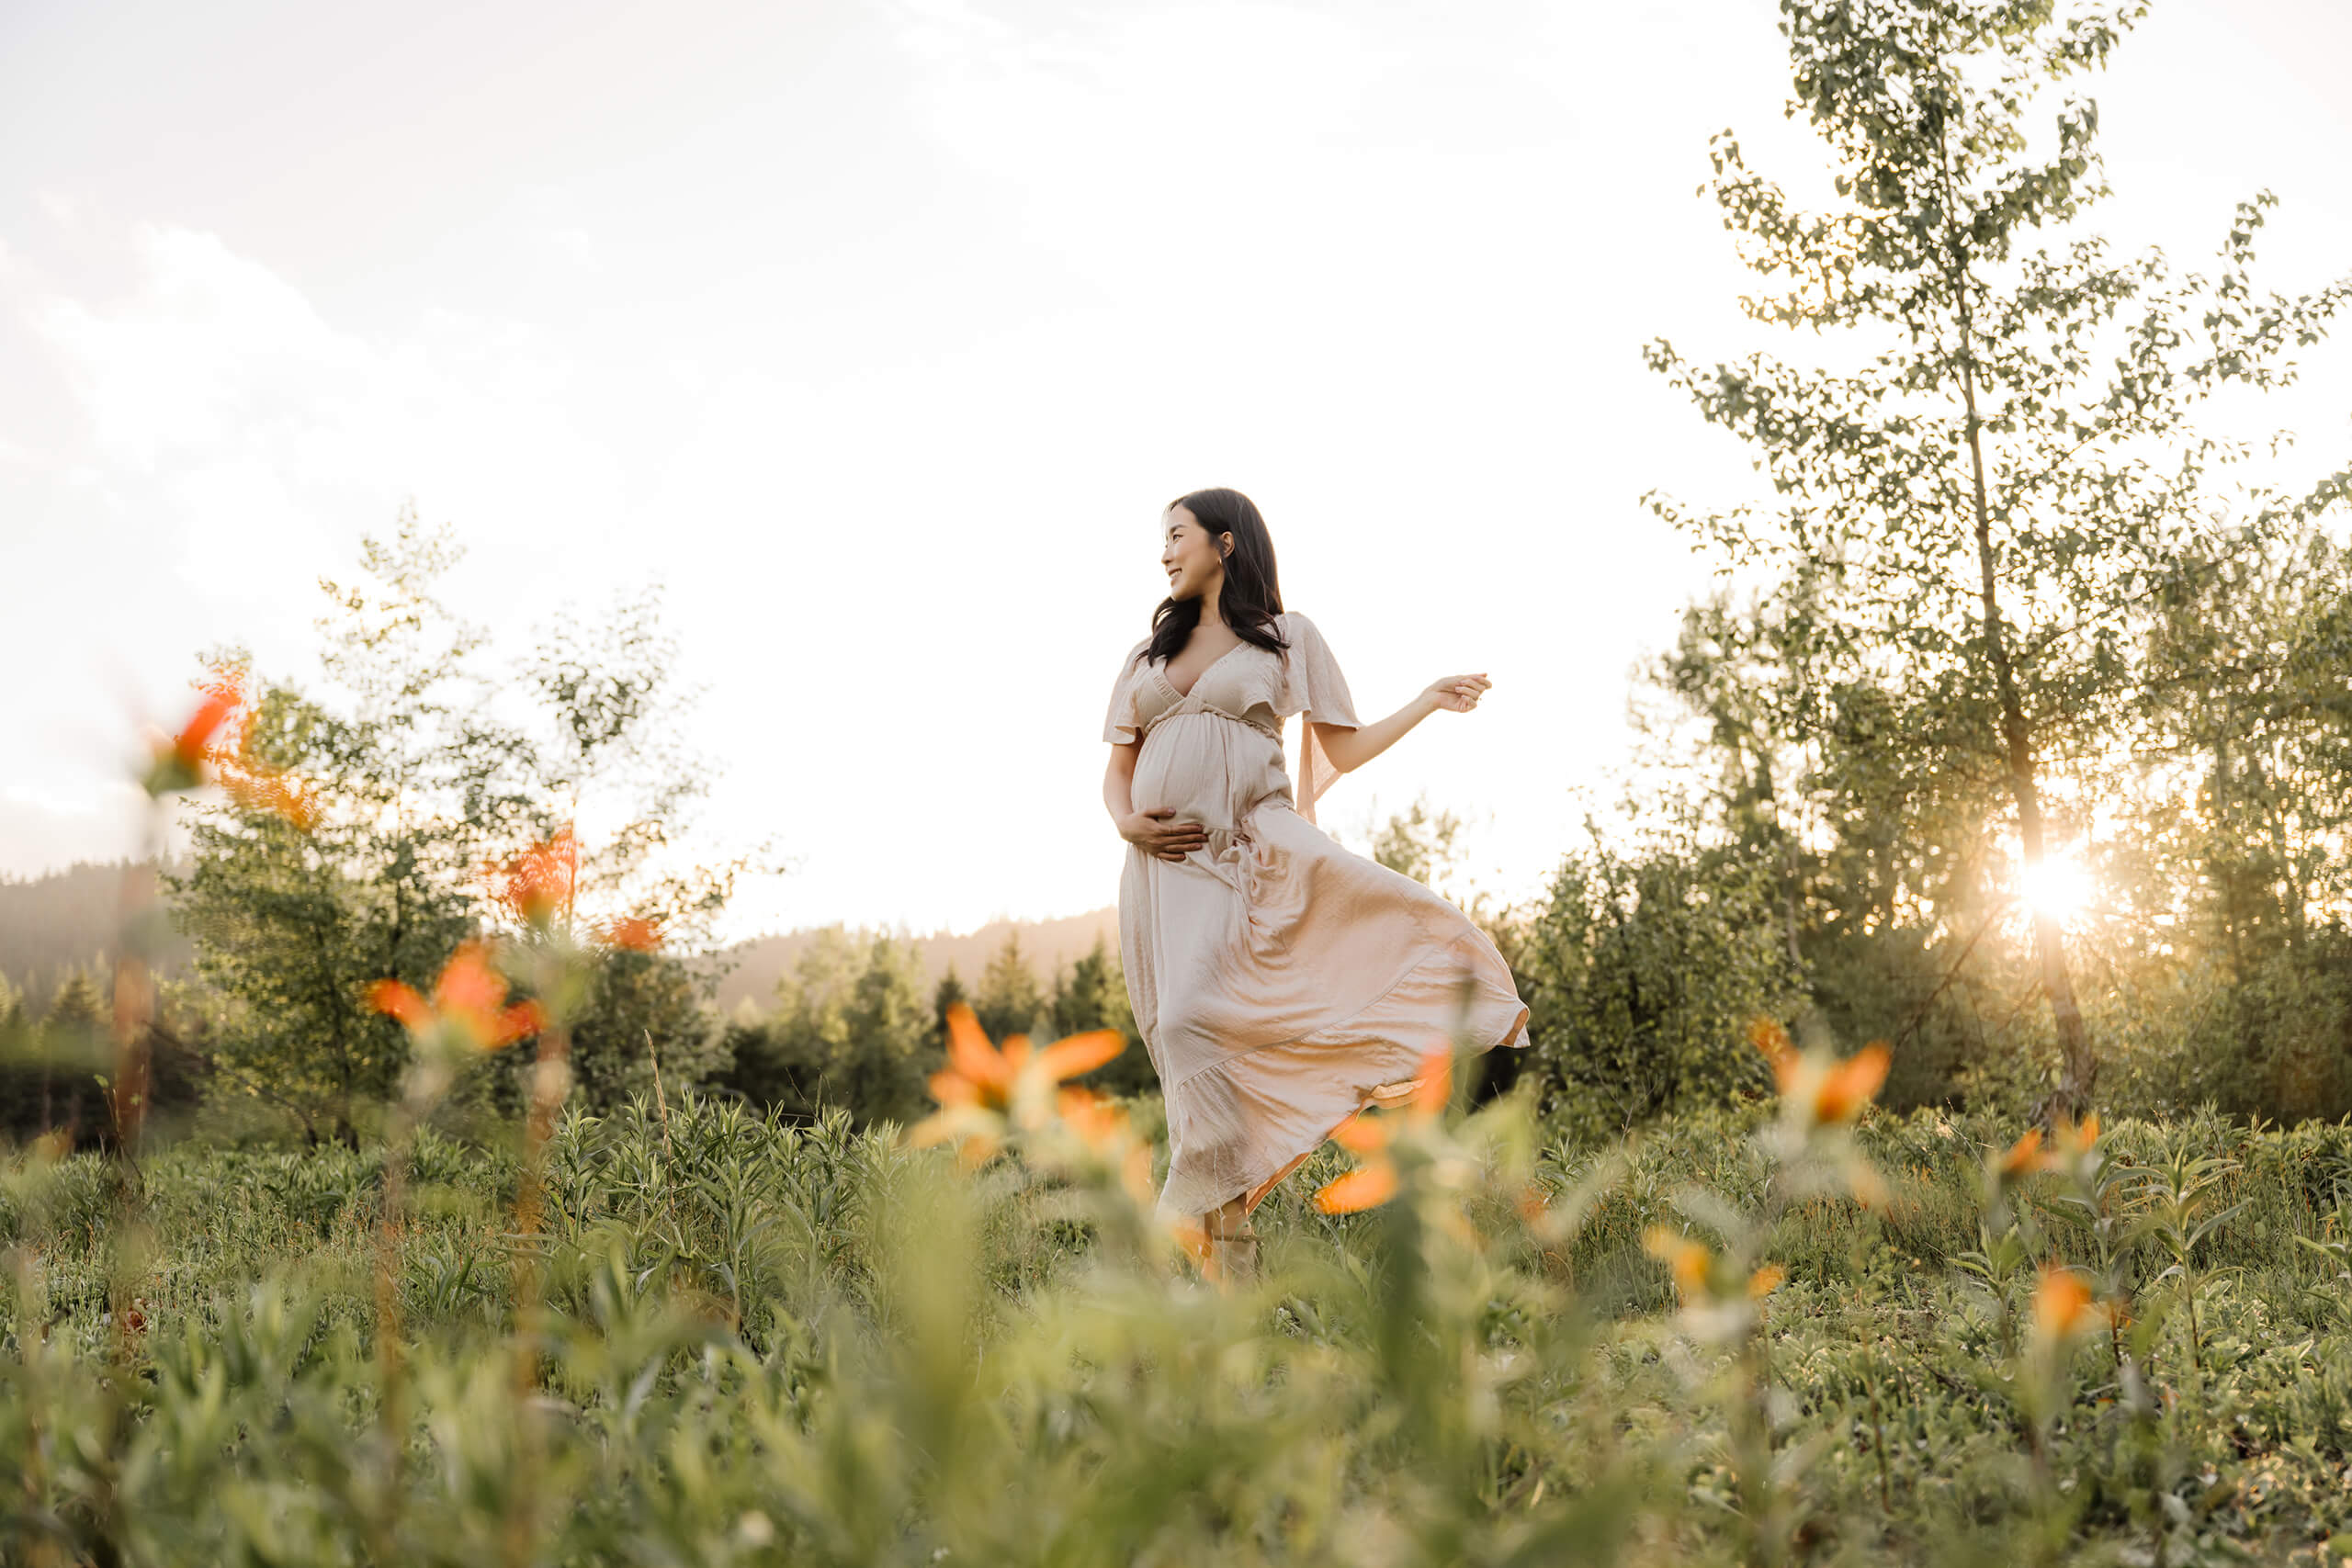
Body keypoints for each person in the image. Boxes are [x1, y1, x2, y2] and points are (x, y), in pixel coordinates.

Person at [1100, 487, 1532, 1281]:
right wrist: (1129, 822)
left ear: (1225, 543)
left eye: (1176, 536)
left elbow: (1346, 744)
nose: (1164, 553)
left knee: (1208, 1015)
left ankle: (1468, 1029)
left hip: (1253, 852)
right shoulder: (1145, 656)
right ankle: (1227, 1261)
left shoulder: (1286, 638)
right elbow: (1117, 770)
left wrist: (1428, 700)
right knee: (1187, 1034)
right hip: (1163, 872)